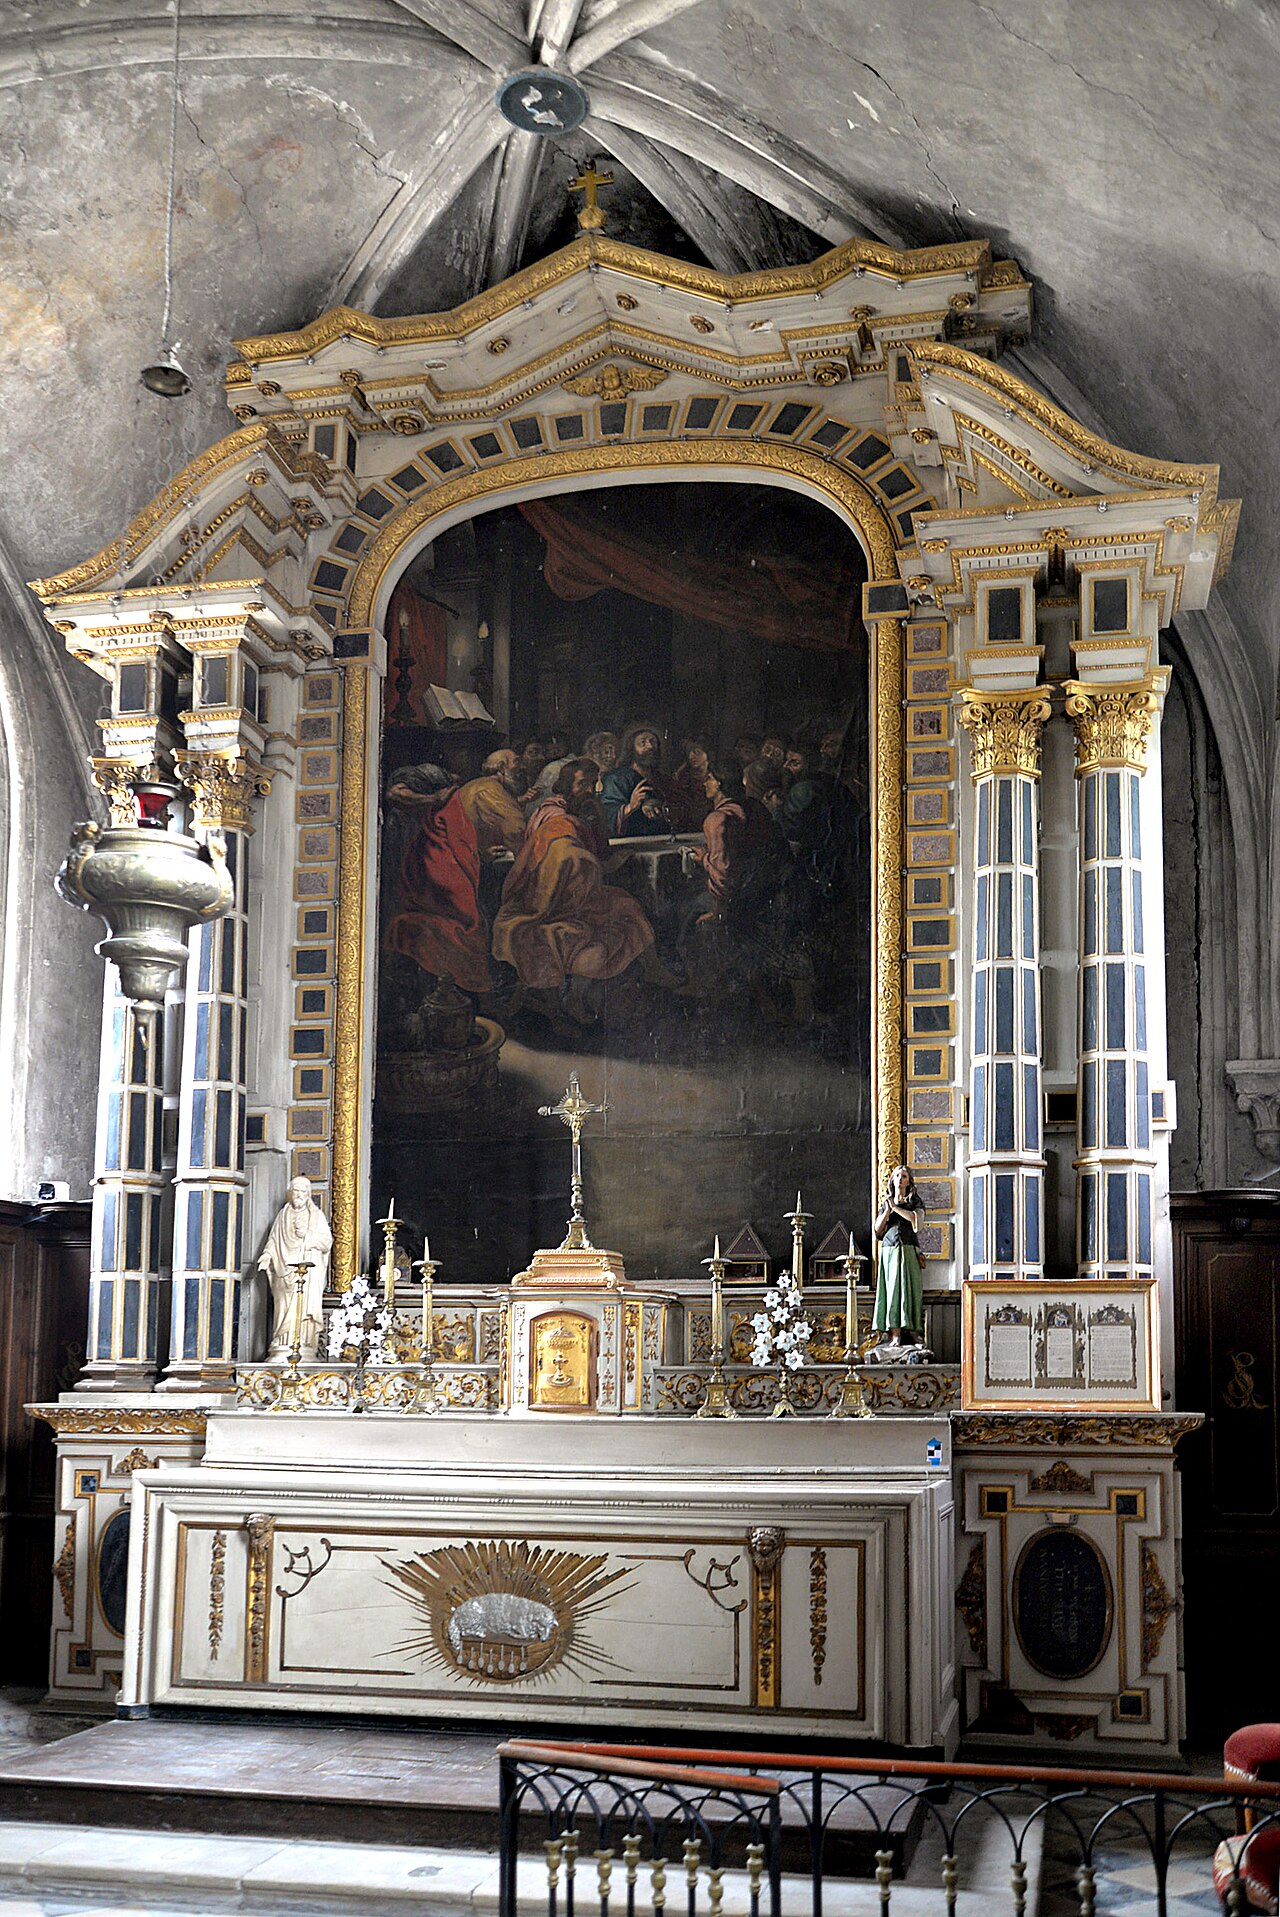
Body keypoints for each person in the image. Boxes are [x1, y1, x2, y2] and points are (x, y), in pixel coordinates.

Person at [493, 758, 675, 1022]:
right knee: (599, 931)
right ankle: (576, 999)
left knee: (627, 905)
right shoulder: (554, 816)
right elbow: (568, 861)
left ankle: (653, 969)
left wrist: (600, 822)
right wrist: (606, 865)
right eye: (582, 784)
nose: (589, 790)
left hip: (576, 892)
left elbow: (596, 850)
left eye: (592, 784)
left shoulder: (581, 809)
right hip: (548, 901)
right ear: (566, 785)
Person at [385, 747, 525, 995]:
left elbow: (460, 838)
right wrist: (434, 799)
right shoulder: (431, 781)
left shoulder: (459, 789)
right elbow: (395, 794)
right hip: (419, 857)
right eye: (516, 762)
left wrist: (479, 855)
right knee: (467, 917)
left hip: (438, 856)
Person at [259, 1176, 333, 1359]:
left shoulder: (316, 1216)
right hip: (284, 1270)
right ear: (290, 1193)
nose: (299, 1195)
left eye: (303, 1192)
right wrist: (267, 1255)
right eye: (296, 1191)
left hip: (308, 1270)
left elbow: (326, 1242)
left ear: (308, 1195)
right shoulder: (283, 1215)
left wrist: (307, 1236)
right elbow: (274, 1240)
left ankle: (303, 1343)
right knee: (283, 1307)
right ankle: (282, 1342)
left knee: (304, 1304)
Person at [872, 1166, 924, 1345]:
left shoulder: (914, 1201)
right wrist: (888, 1210)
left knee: (912, 1290)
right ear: (892, 1180)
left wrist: (896, 1208)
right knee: (892, 1290)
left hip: (909, 1249)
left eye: (904, 1176)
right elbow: (877, 1230)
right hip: (890, 1250)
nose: (900, 1179)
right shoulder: (886, 1202)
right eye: (897, 1176)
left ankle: (914, 1330)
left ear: (909, 1181)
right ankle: (895, 1333)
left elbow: (917, 1220)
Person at [599, 724, 676, 837]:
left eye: (653, 742)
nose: (650, 746)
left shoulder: (663, 779)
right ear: (632, 749)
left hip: (662, 837)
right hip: (630, 841)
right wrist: (631, 807)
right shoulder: (615, 779)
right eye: (642, 743)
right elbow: (606, 815)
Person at [671, 737, 713, 831]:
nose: (691, 756)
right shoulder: (681, 777)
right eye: (688, 752)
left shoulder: (716, 775)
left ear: (708, 753)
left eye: (697, 752)